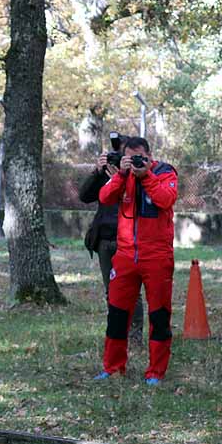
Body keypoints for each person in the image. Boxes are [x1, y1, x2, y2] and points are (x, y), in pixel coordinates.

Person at [94, 136, 178, 385]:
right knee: (117, 313)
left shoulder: (164, 172)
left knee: (159, 315)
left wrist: (145, 176)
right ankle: (113, 367)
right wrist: (120, 174)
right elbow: (105, 197)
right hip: (125, 256)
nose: (135, 162)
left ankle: (156, 372)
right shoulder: (123, 174)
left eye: (139, 157)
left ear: (149, 155)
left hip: (157, 257)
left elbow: (165, 199)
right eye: (130, 157)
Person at [78, 137, 143, 344]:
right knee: (111, 291)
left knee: (132, 291)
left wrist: (128, 173)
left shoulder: (137, 173)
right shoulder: (105, 174)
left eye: (123, 157)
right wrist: (97, 171)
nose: (117, 160)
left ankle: (134, 337)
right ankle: (116, 334)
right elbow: (85, 196)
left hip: (129, 239)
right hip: (105, 240)